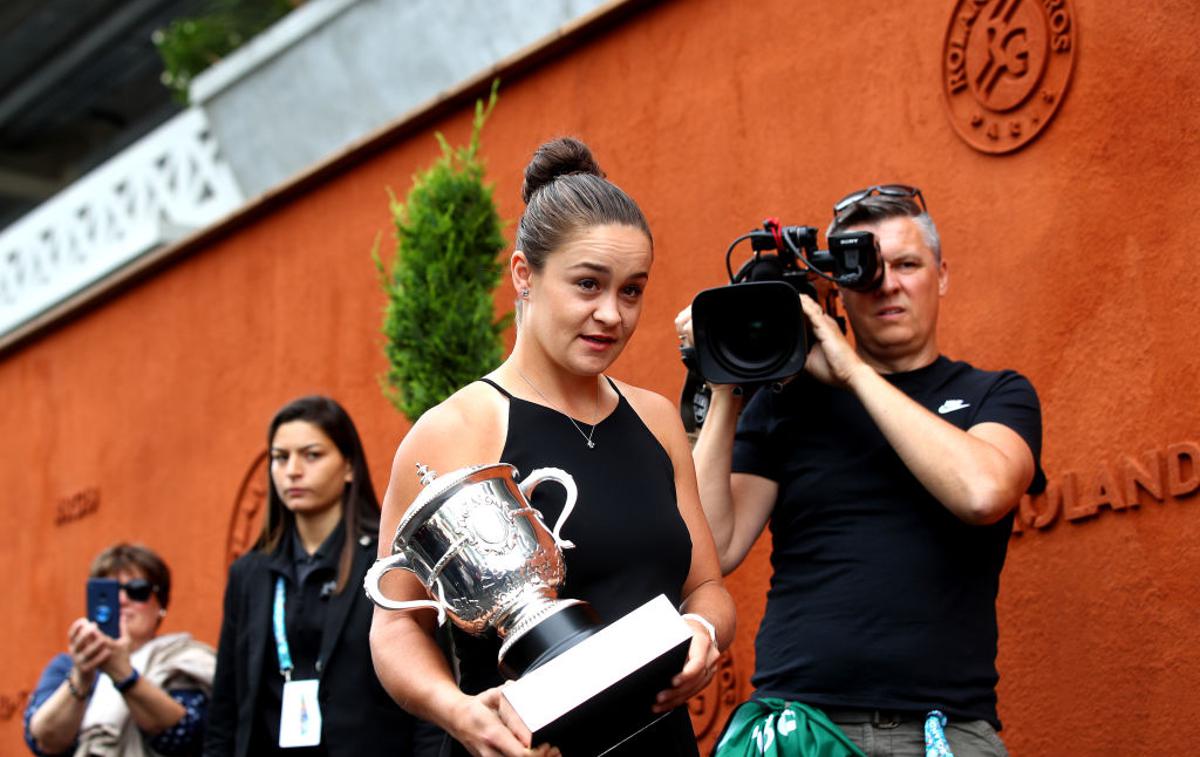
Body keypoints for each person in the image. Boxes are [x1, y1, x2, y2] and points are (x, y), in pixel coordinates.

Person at [369, 137, 736, 757]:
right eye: (588, 284)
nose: (612, 315)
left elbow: (708, 587)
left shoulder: (654, 418)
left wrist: (702, 631)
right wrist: (457, 712)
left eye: (631, 290)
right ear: (524, 276)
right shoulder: (457, 428)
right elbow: (396, 624)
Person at [677, 186, 1045, 756]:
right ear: (840, 291)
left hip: (942, 730)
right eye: (868, 271)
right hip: (797, 726)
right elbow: (713, 548)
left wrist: (850, 370)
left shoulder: (995, 394)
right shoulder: (788, 405)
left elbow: (983, 492)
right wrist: (724, 381)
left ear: (941, 275)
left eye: (906, 264)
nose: (888, 284)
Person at [204, 395, 439, 757]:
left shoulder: (388, 559)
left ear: (348, 467)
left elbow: (429, 685)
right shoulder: (248, 573)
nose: (293, 470)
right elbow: (225, 705)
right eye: (280, 458)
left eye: (311, 455)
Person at [24, 542, 216, 756]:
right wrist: (81, 677)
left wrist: (123, 674)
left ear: (160, 604)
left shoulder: (184, 660)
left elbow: (186, 734)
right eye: (109, 592)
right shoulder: (67, 666)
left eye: (137, 591)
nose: (122, 600)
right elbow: (42, 742)